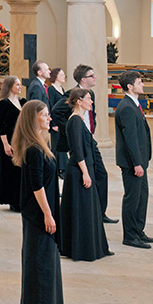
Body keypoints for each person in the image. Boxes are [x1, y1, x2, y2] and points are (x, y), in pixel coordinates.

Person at [12, 100, 64, 304]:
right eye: (44, 115)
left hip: (46, 211)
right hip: (38, 214)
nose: (49, 118)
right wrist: (48, 214)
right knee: (37, 263)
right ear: (33, 119)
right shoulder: (33, 149)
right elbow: (36, 186)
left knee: (48, 263)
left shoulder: (42, 143)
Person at [51, 64, 118, 224]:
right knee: (89, 174)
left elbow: (91, 114)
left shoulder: (91, 94)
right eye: (91, 76)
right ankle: (93, 213)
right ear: (83, 79)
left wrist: (90, 125)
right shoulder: (72, 94)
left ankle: (99, 212)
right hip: (79, 139)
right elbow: (56, 111)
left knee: (101, 174)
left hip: (89, 138)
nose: (95, 78)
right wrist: (70, 128)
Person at [60, 89, 113, 260]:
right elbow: (76, 150)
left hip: (84, 169)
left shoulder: (79, 119)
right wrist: (85, 173)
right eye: (89, 99)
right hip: (79, 171)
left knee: (89, 209)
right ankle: (81, 249)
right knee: (81, 210)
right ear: (78, 101)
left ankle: (92, 247)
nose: (91, 102)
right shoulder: (75, 121)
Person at [115, 70, 153, 249]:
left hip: (140, 162)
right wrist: (137, 163)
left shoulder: (134, 104)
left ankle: (138, 230)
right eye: (139, 82)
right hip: (132, 163)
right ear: (130, 86)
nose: (143, 84)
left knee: (142, 196)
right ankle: (130, 235)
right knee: (132, 198)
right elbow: (130, 139)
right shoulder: (127, 108)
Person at [0, 76, 26, 212]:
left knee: (20, 170)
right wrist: (6, 144)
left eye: (20, 84)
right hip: (9, 141)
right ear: (10, 86)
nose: (20, 87)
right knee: (10, 170)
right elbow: (1, 126)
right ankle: (12, 200)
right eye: (17, 84)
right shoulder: (4, 103)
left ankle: (21, 198)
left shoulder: (23, 102)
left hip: (22, 141)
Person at [47, 68, 67, 177]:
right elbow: (52, 107)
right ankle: (58, 168)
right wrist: (53, 123)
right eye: (61, 75)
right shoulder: (51, 89)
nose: (64, 77)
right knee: (56, 146)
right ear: (55, 77)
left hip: (61, 122)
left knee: (62, 144)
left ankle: (63, 167)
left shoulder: (62, 89)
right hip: (56, 123)